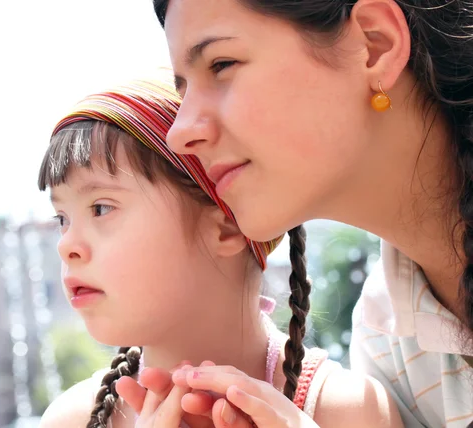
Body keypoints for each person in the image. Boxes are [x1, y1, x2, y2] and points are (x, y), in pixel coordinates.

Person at [150, 0, 473, 426]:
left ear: (374, 45)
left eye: (222, 64)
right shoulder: (387, 329)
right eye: (183, 89)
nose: (179, 133)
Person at [36, 74, 401, 427]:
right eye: (62, 219)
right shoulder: (71, 419)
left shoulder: (345, 410)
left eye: (101, 208)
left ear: (227, 224)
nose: (67, 245)